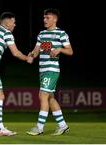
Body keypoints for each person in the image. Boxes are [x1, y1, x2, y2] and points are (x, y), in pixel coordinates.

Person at [26, 8, 73, 136]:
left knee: (43, 96)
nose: (44, 20)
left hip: (52, 70)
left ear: (55, 19)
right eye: (44, 18)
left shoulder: (61, 34)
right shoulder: (41, 34)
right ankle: (63, 126)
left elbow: (70, 51)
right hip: (42, 70)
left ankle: (39, 128)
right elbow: (36, 50)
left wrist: (60, 49)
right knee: (50, 98)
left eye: (47, 18)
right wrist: (32, 54)